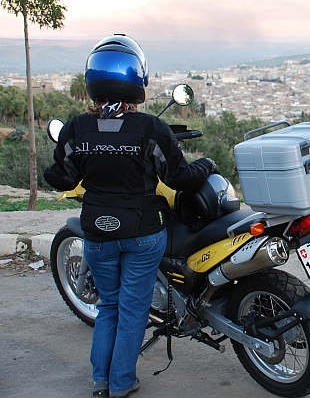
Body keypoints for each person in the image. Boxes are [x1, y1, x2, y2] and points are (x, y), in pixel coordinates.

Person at [44, 34, 216, 398]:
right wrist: (206, 164)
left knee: (109, 306)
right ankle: (122, 382)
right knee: (133, 309)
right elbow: (178, 178)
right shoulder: (150, 128)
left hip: (97, 234)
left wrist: (56, 165)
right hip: (141, 233)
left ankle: (101, 381)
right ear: (137, 78)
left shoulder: (76, 129)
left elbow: (61, 177)